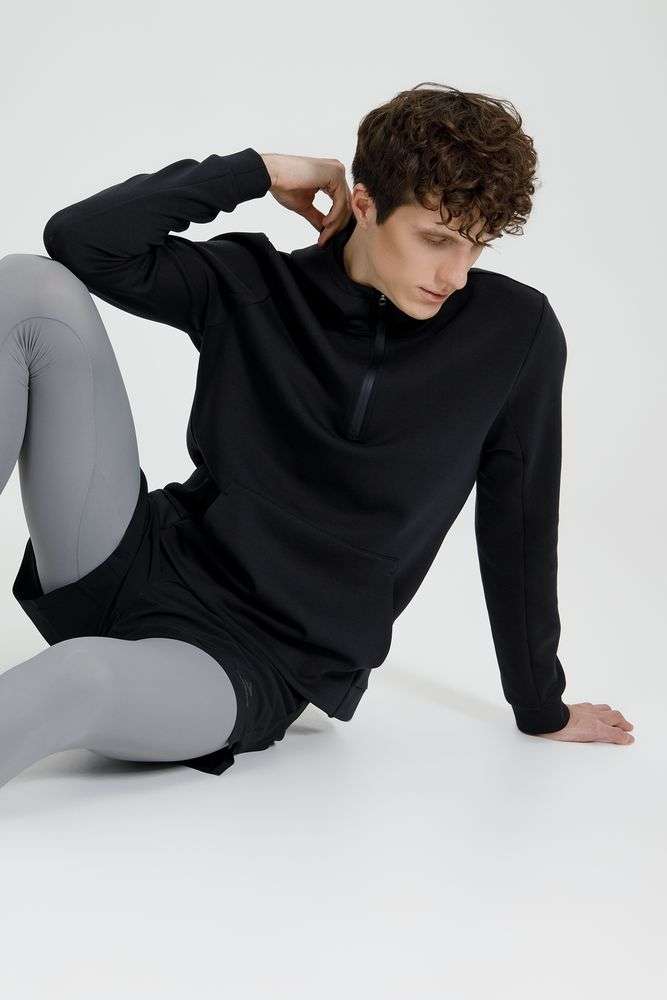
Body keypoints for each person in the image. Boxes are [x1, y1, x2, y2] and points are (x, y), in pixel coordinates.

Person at [0, 83, 634, 791]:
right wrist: (260, 170)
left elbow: (519, 523)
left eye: (475, 247)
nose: (455, 275)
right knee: (27, 287)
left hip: (250, 658)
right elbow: (80, 240)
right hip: (132, 557)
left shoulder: (513, 335)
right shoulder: (257, 283)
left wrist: (539, 705)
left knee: (79, 676)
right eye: (436, 239)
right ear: (364, 204)